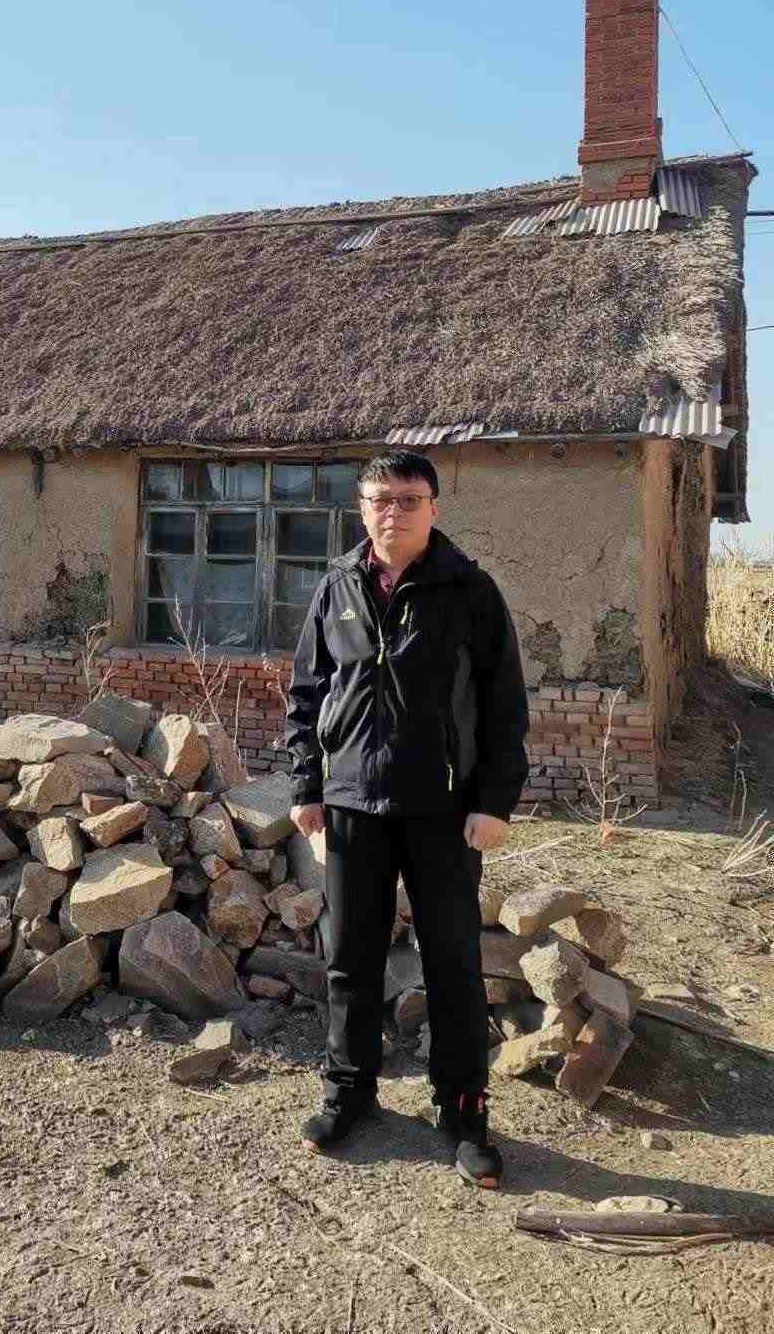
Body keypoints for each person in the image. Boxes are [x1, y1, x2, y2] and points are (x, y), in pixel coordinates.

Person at [284, 450, 529, 1189]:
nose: (393, 511)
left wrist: (494, 802)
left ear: (434, 507)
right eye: (380, 499)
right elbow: (307, 694)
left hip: (444, 811)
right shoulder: (337, 586)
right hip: (352, 804)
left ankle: (463, 1112)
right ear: (361, 507)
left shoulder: (469, 590)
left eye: (409, 499)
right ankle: (349, 1092)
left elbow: (505, 705)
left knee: (452, 963)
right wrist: (306, 785)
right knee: (350, 959)